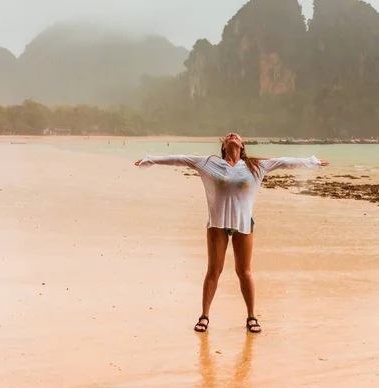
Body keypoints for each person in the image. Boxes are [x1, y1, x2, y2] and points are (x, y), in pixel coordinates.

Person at [135, 133, 328, 333]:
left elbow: (284, 162)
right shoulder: (210, 163)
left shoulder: (255, 166)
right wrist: (150, 160)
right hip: (217, 224)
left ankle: (252, 317)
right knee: (213, 271)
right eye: (228, 136)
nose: (232, 136)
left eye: (236, 136)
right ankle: (204, 316)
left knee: (244, 272)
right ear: (224, 145)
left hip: (243, 224)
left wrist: (311, 162)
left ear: (242, 145)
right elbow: (181, 159)